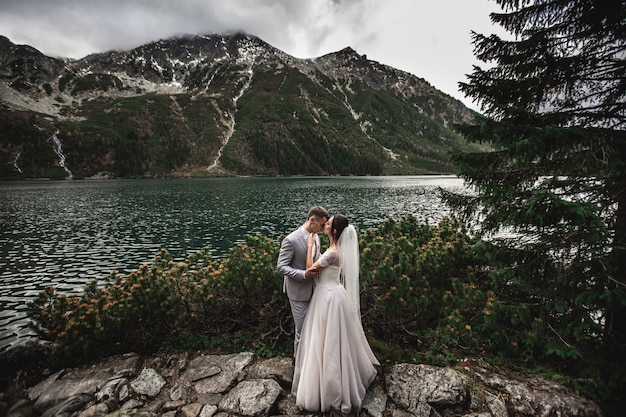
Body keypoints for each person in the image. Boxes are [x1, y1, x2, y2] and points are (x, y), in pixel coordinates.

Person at [292, 214, 379, 414]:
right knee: (337, 339)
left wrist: (312, 246)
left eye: (328, 223)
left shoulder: (331, 253)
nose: (325, 224)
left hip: (326, 296)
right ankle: (340, 377)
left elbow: (309, 269)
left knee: (325, 340)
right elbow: (343, 272)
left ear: (334, 231)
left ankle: (328, 387)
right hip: (337, 293)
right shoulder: (338, 252)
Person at [277, 206, 330, 355]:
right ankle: (298, 365)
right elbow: (281, 267)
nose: (323, 228)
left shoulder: (316, 237)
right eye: (321, 225)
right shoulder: (291, 240)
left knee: (314, 330)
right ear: (312, 220)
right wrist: (303, 274)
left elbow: (316, 259)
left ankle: (310, 365)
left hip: (316, 291)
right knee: (302, 331)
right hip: (298, 293)